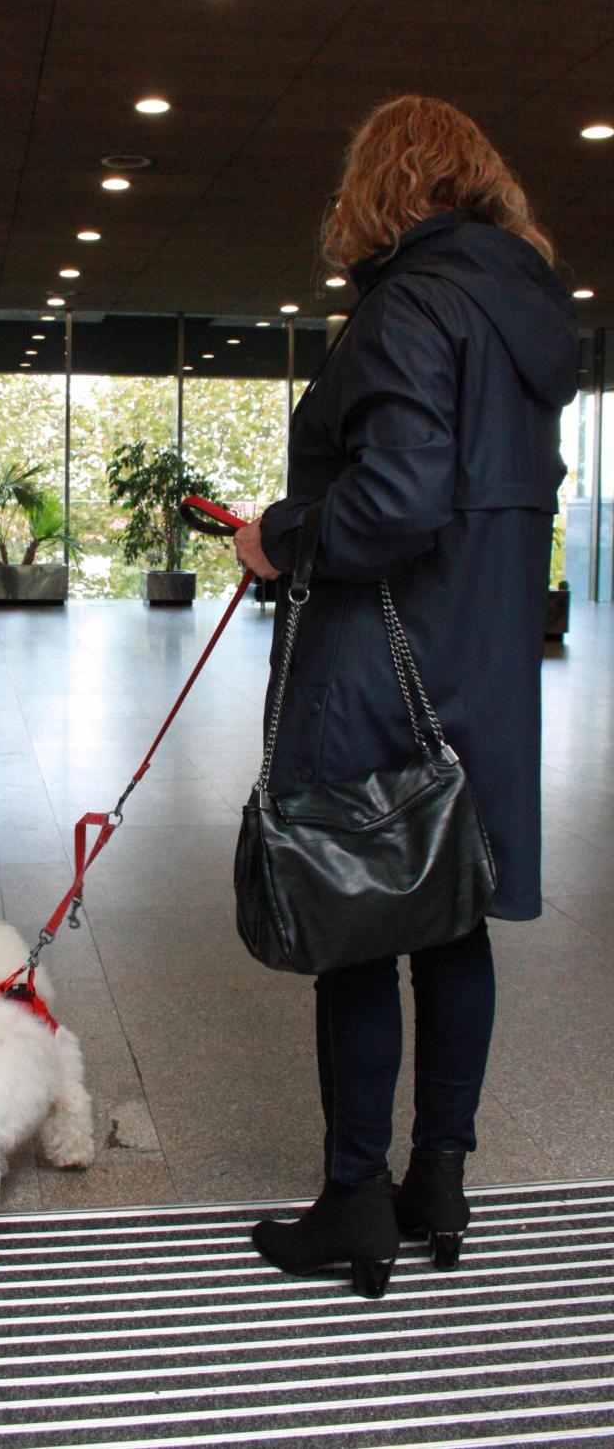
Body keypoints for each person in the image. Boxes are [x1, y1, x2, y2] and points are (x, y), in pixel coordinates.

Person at [233, 94, 577, 1298]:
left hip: (383, 672)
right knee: (454, 919)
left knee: (359, 928)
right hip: (485, 673)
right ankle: (441, 1178)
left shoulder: (406, 307)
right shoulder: (529, 317)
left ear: (382, 185)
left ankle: (353, 1200)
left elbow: (394, 501)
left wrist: (279, 532)